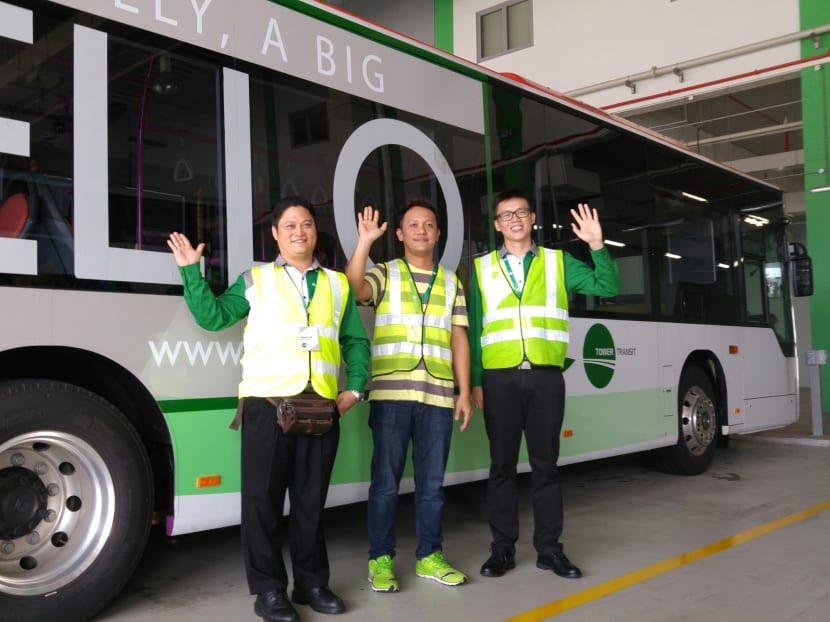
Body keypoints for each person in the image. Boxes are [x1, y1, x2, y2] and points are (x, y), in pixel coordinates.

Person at [168, 196, 370, 622]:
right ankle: (270, 591)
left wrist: (353, 390)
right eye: (290, 225)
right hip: (267, 407)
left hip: (320, 408)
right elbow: (214, 317)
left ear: (316, 233)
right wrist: (191, 271)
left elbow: (354, 340)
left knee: (311, 503)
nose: (300, 231)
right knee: (261, 504)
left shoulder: (336, 284)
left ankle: (312, 584)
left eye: (308, 225)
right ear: (275, 234)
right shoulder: (255, 280)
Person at [468, 189, 620, 580]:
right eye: (505, 215)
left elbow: (608, 287)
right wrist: (474, 383)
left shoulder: (558, 262)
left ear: (532, 218)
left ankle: (550, 550)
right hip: (499, 379)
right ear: (497, 224)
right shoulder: (481, 268)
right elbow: (473, 330)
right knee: (501, 467)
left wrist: (596, 245)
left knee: (545, 467)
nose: (514, 219)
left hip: (545, 377)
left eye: (520, 212)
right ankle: (501, 550)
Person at [344, 199, 473, 593]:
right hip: (391, 395)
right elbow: (352, 287)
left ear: (437, 234)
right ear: (399, 234)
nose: (421, 230)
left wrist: (463, 393)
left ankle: (429, 556)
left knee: (432, 485)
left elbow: (459, 340)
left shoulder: (452, 282)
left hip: (437, 397)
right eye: (413, 225)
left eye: (429, 225)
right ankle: (380, 560)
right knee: (385, 483)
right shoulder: (385, 273)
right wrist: (365, 241)